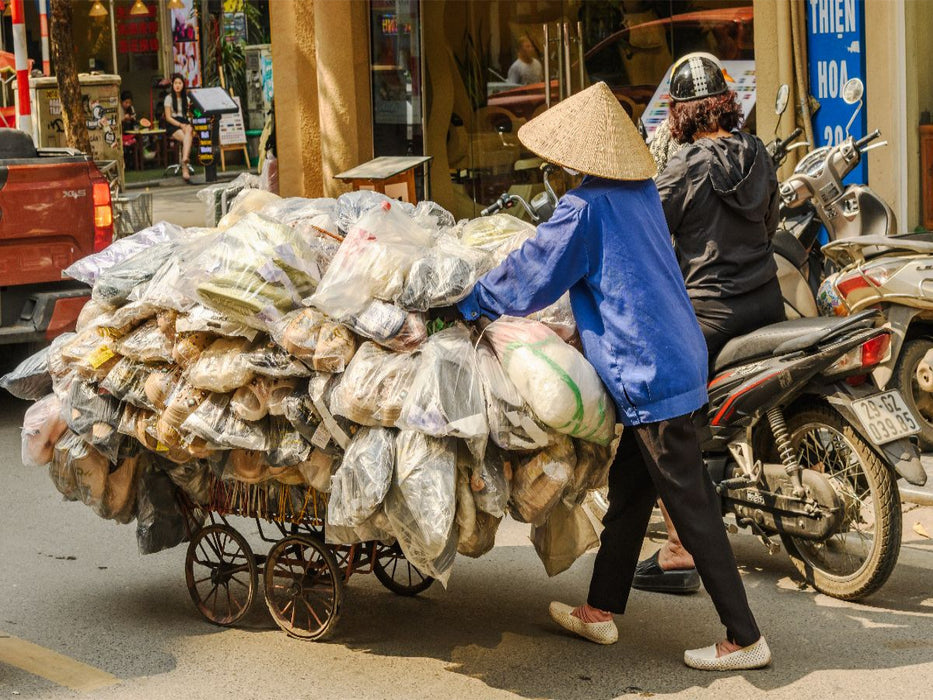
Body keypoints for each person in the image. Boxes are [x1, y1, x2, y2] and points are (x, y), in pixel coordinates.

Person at [456, 81, 770, 671]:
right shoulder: (641, 190)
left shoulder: (585, 209)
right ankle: (599, 610)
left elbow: (532, 275)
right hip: (678, 354)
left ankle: (744, 636)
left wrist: (471, 301)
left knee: (692, 503)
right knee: (631, 493)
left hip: (648, 371)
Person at [632, 53, 785, 595]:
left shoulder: (682, 166)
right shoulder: (758, 153)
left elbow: (651, 239)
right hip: (767, 302)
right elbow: (769, 223)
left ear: (679, 114)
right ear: (726, 102)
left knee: (669, 416)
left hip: (711, 315)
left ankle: (678, 549)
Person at [163, 73, 194, 183]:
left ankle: (184, 159)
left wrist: (187, 123)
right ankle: (185, 166)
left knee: (189, 130)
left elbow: (190, 115)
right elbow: (168, 117)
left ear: (183, 85)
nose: (177, 85)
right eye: (175, 83)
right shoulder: (168, 98)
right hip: (173, 124)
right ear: (172, 84)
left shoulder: (187, 98)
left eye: (180, 83)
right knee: (187, 136)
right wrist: (180, 125)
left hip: (185, 122)